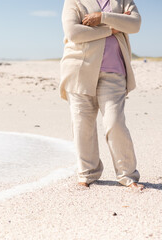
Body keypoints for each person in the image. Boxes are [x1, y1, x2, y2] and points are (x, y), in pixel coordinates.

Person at [59, 0, 144, 190]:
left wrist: (102, 18)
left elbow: (135, 24)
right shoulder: (73, 1)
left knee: (115, 123)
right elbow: (74, 33)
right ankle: (87, 173)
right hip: (79, 70)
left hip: (114, 72)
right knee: (82, 125)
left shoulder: (123, 1)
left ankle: (127, 175)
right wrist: (112, 29)